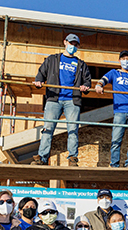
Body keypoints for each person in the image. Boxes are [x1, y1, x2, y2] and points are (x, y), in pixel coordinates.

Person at [31, 33, 91, 167]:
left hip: (73, 100)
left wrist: (85, 86)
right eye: (71, 43)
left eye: (75, 45)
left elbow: (87, 81)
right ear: (65, 42)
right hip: (54, 98)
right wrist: (39, 80)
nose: (73, 46)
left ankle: (72, 158)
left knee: (73, 130)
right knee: (47, 128)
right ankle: (42, 157)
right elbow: (41, 72)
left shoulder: (81, 64)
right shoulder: (53, 59)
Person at [95, 50, 128, 168]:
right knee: (116, 139)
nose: (126, 61)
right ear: (119, 60)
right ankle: (114, 164)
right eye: (123, 59)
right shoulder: (114, 73)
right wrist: (99, 85)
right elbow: (103, 80)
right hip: (119, 110)